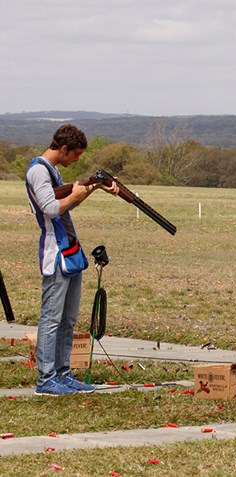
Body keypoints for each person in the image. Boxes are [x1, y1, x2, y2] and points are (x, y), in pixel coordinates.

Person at [25, 124, 118, 396]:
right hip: (55, 253)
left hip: (69, 251)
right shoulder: (38, 171)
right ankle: (46, 378)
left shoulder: (52, 171)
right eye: (75, 154)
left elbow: (69, 204)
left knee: (68, 319)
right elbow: (52, 209)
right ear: (63, 149)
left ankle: (62, 373)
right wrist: (78, 193)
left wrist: (91, 189)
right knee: (51, 318)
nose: (77, 159)